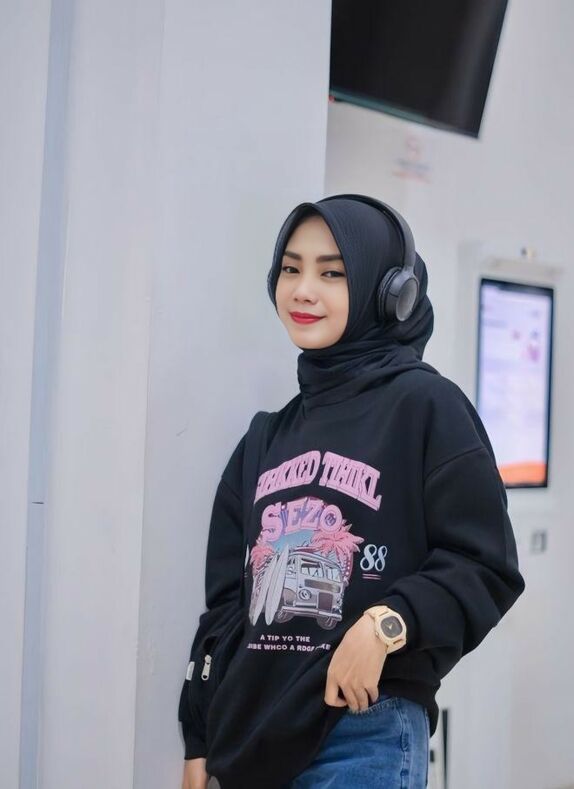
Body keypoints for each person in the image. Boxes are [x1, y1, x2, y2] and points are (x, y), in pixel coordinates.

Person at [178, 194, 526, 789]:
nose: (303, 290)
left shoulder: (426, 407)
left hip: (363, 730)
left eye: (332, 273)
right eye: (291, 269)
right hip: (252, 739)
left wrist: (386, 625)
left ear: (390, 292)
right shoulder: (264, 439)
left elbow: (484, 563)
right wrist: (201, 736)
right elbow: (227, 611)